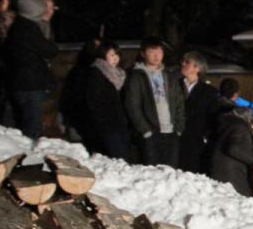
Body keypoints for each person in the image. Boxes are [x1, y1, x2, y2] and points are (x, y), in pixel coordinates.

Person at [3, 0, 59, 138]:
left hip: (21, 81)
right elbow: (49, 49)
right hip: (30, 83)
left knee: (26, 121)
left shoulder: (18, 27)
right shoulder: (29, 28)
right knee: (31, 125)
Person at [123, 36, 186, 166]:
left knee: (171, 172)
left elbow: (179, 102)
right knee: (152, 172)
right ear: (143, 54)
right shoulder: (137, 75)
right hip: (150, 132)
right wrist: (145, 130)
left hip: (171, 131)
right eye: (152, 52)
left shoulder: (168, 75)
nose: (156, 56)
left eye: (159, 52)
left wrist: (179, 128)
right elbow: (132, 105)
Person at [210, 79, 253, 196]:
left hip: (218, 167)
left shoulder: (221, 116)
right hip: (232, 171)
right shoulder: (239, 126)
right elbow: (234, 149)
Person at [83, 41, 130, 159]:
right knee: (115, 156)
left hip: (119, 121)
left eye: (117, 55)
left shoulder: (119, 74)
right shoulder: (97, 73)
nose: (116, 58)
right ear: (103, 55)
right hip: (107, 123)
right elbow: (94, 100)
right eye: (112, 55)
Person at [179, 51, 222, 174]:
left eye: (187, 62)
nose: (182, 63)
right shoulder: (173, 86)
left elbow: (213, 118)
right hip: (176, 139)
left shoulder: (209, 92)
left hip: (197, 141)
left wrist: (205, 136)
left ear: (197, 68)